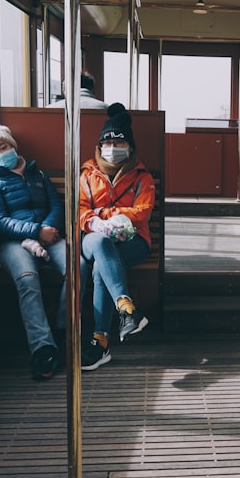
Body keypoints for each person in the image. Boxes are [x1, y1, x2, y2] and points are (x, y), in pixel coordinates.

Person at [0, 123, 66, 380]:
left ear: (13, 146)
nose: (0, 153)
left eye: (3, 146)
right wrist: (36, 230)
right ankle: (43, 347)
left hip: (49, 235)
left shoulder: (37, 174)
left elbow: (55, 204)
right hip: (13, 242)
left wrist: (49, 227)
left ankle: (62, 329)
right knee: (28, 279)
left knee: (78, 268)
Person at [77, 102, 155, 370]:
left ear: (130, 147)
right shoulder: (87, 175)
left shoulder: (142, 177)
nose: (112, 148)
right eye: (107, 143)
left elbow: (142, 212)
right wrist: (98, 223)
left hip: (133, 241)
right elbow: (80, 212)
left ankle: (100, 342)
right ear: (99, 146)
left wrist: (106, 213)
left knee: (101, 267)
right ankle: (127, 309)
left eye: (119, 143)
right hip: (92, 237)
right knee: (100, 243)